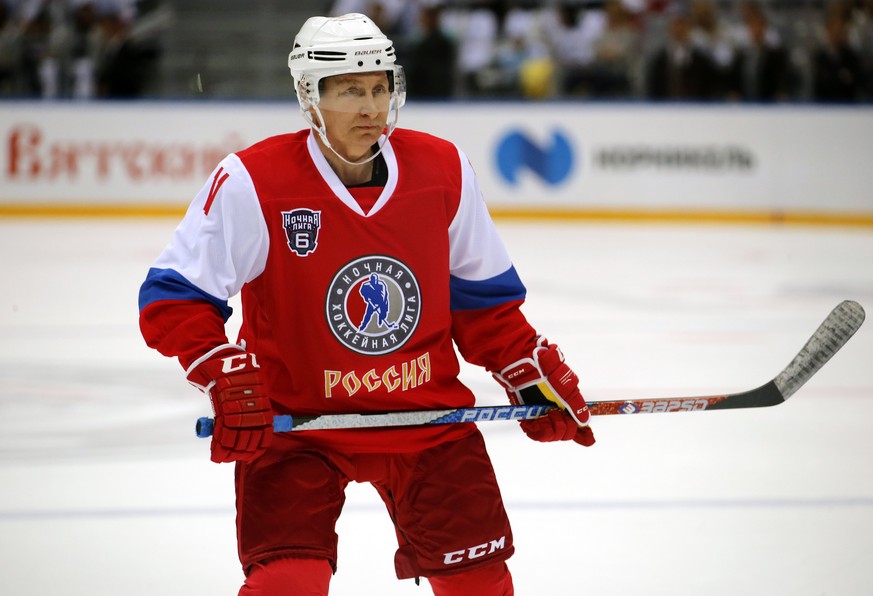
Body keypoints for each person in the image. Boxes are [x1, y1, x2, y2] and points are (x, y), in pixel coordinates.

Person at [138, 12, 594, 595]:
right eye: (351, 90)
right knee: (288, 584)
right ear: (309, 96)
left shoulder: (442, 170)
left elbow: (484, 304)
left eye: (380, 88)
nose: (372, 108)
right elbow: (173, 296)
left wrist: (524, 364)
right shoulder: (255, 181)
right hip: (299, 425)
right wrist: (217, 366)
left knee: (480, 585)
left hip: (428, 419)